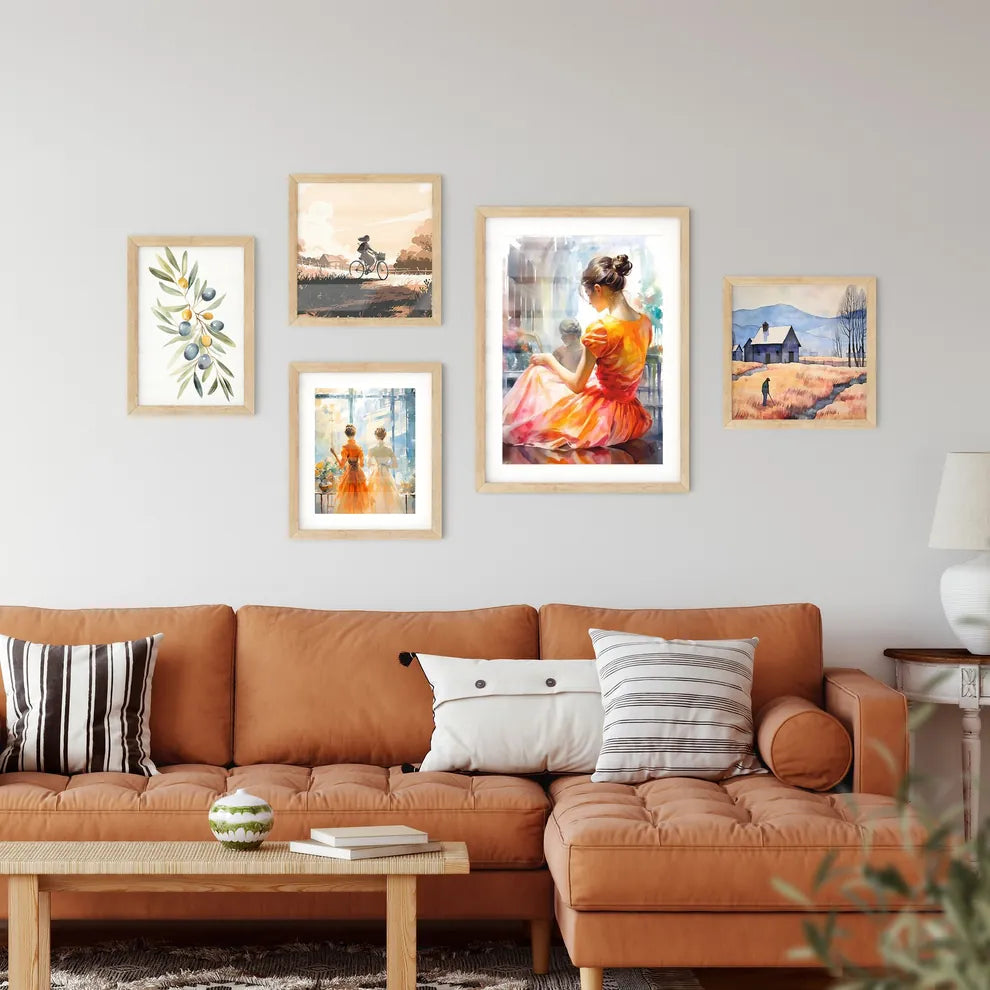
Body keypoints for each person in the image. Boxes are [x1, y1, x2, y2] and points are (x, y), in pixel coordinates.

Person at [502, 253, 653, 450]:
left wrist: (548, 359)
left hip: (602, 418)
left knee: (538, 373)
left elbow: (576, 385)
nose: (589, 301)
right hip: (630, 415)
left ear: (598, 289)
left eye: (588, 294)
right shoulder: (644, 323)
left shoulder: (601, 329)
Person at [330, 425, 370, 513]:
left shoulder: (345, 447)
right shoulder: (359, 448)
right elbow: (362, 464)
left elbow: (341, 465)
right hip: (358, 474)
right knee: (359, 499)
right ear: (354, 434)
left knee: (347, 498)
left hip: (349, 474)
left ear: (346, 435)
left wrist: (334, 454)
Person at [366, 427, 402, 513]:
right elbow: (395, 465)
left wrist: (376, 464)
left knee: (375, 494)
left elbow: (368, 464)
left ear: (376, 436)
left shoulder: (372, 449)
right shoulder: (388, 449)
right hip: (386, 473)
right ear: (384, 436)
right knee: (388, 495)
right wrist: (386, 465)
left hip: (376, 472)